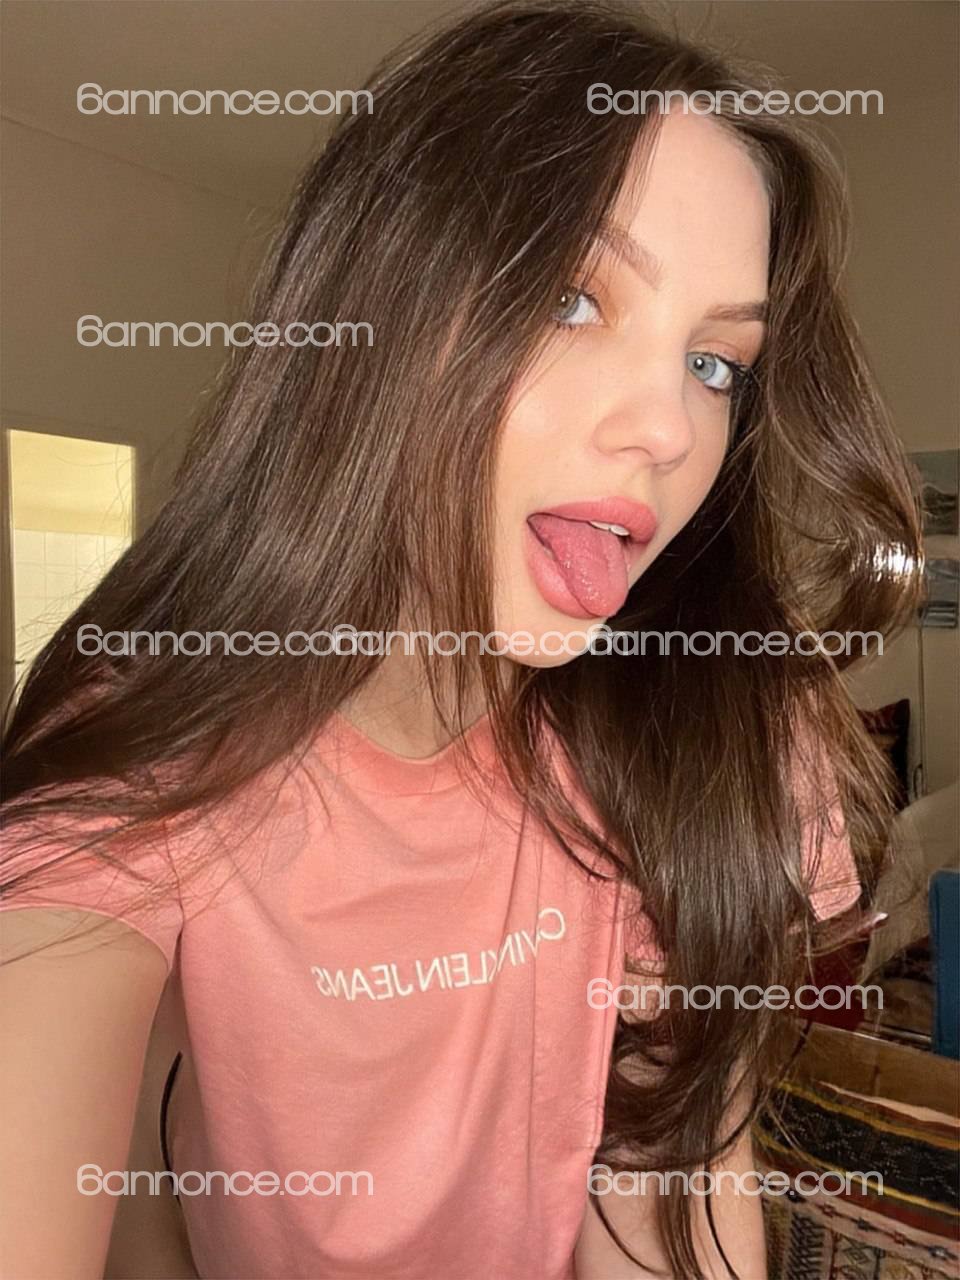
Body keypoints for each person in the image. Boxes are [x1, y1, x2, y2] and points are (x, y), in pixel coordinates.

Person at [0, 2, 921, 1277]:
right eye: (571, 298)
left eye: (716, 365)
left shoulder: (719, 722)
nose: (667, 428)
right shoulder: (147, 739)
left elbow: (669, 1197)